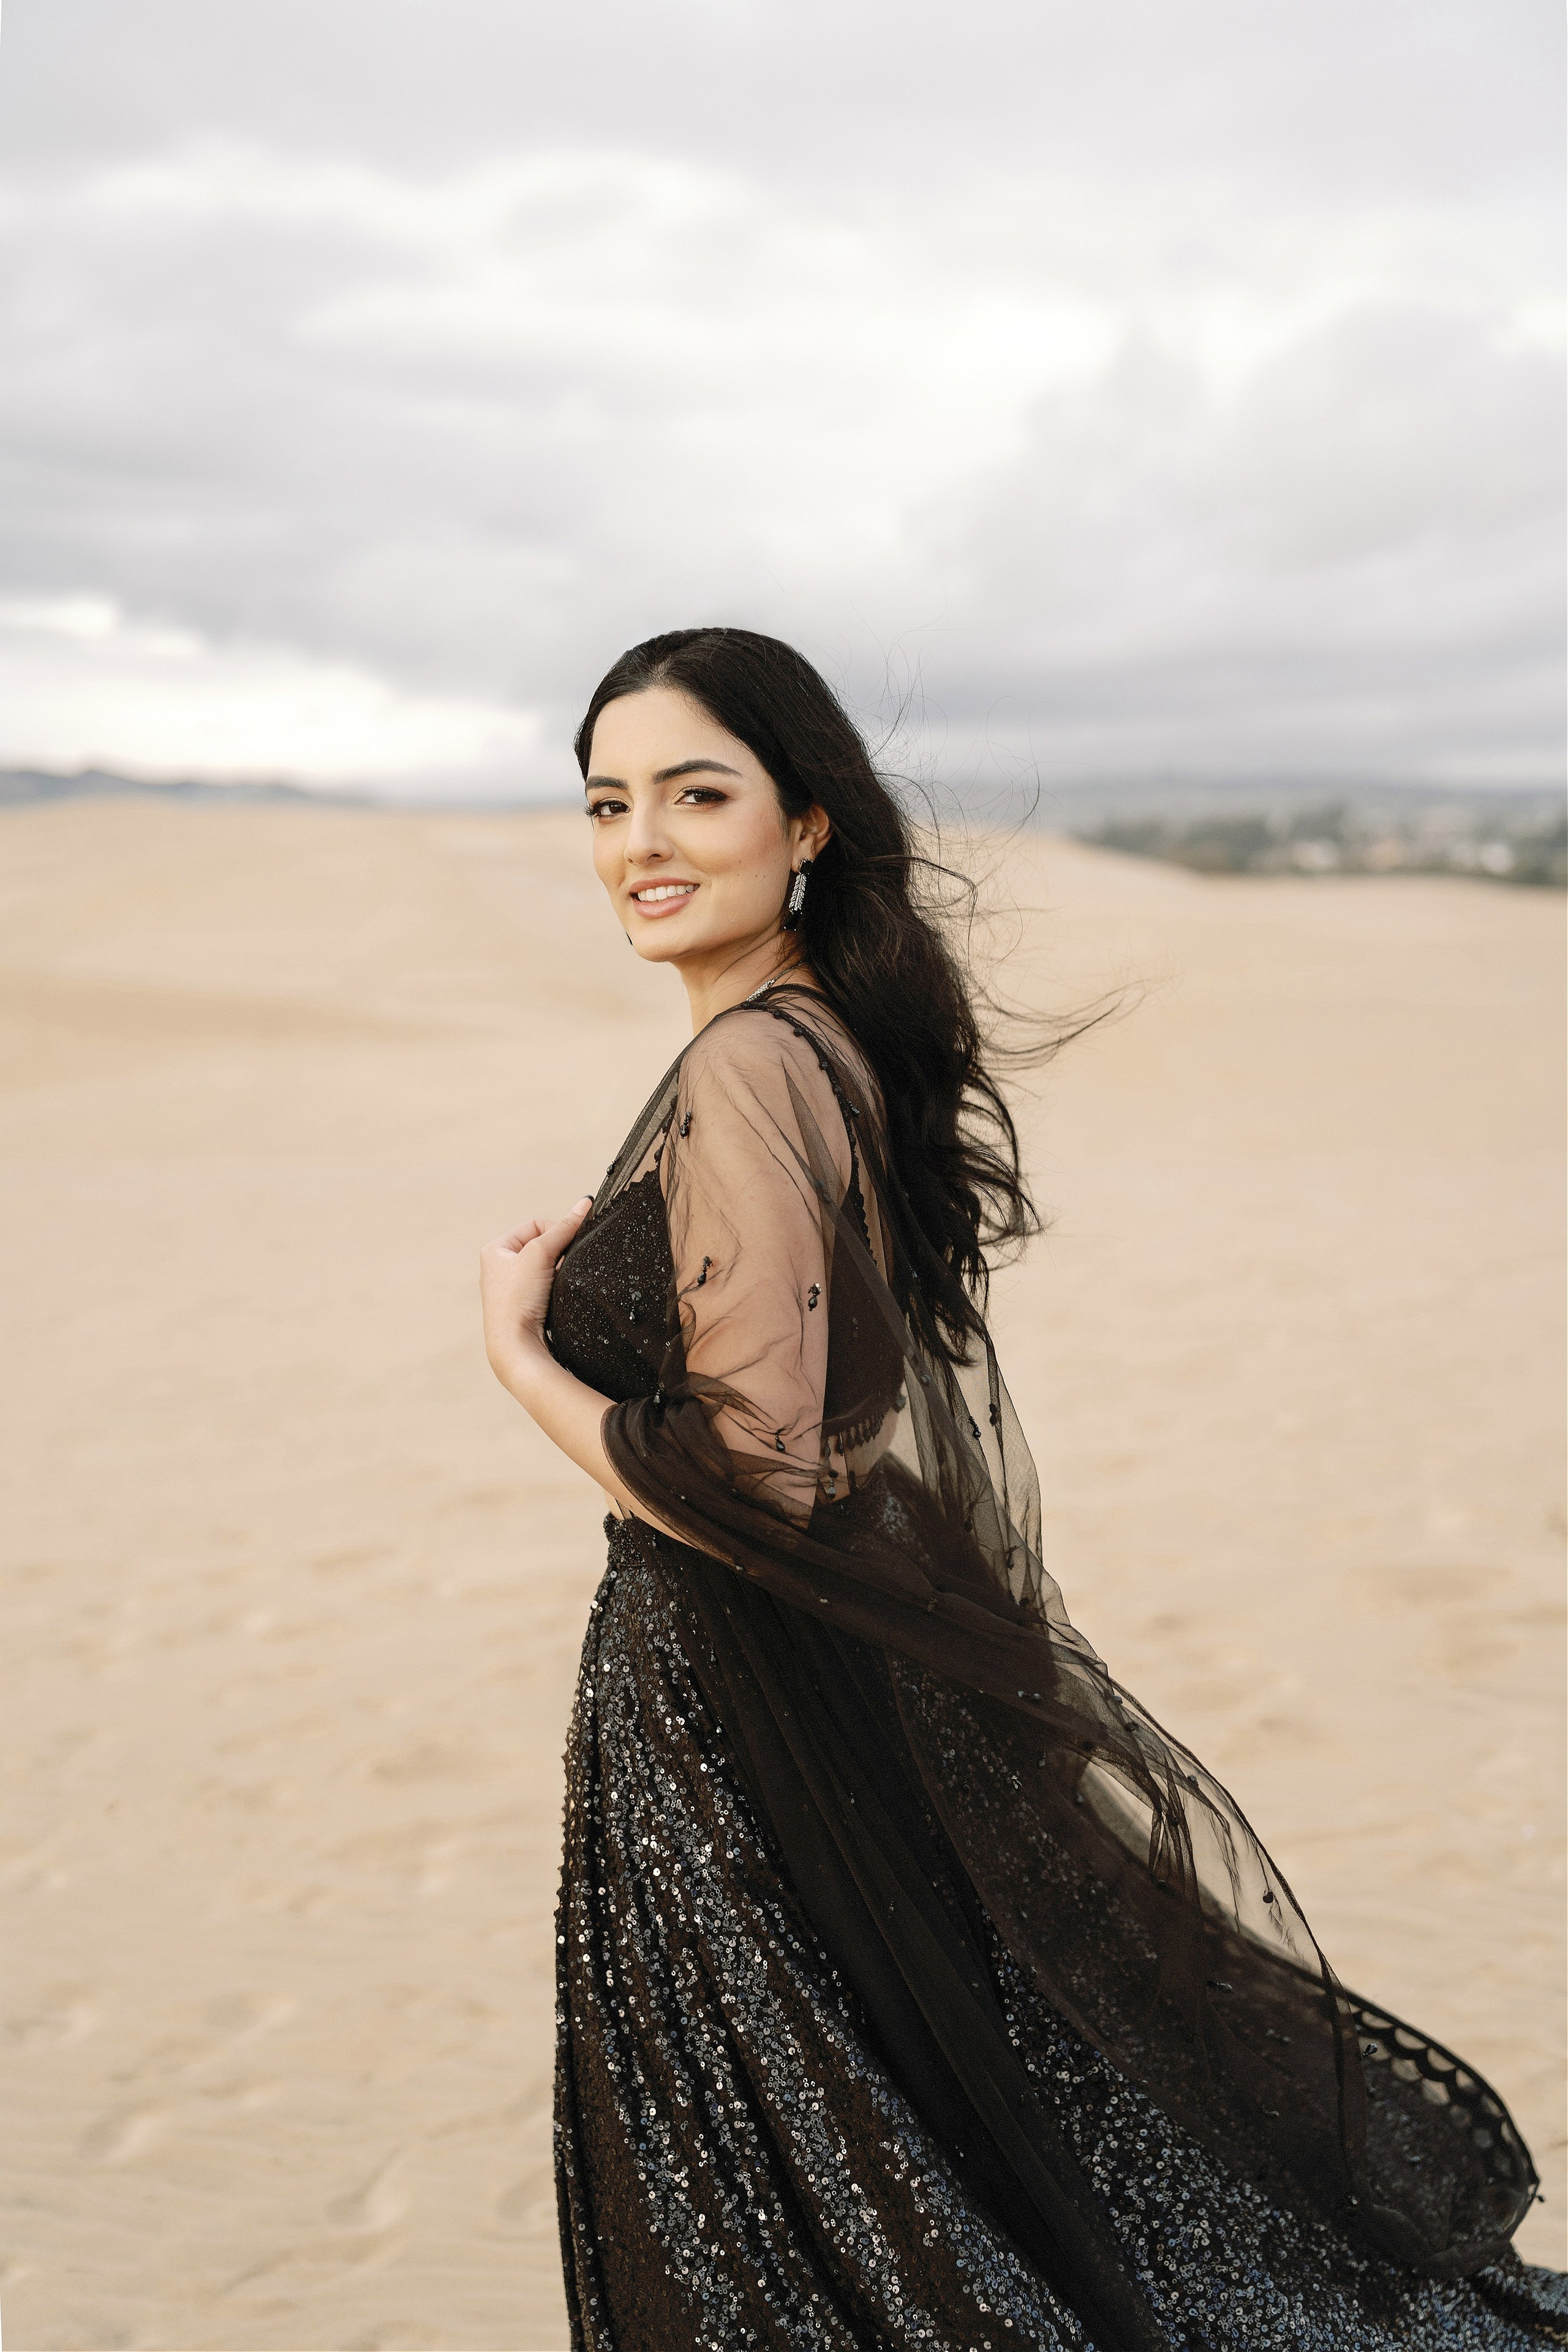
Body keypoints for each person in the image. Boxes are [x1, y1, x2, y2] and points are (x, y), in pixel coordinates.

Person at [480, 628, 1565, 2351]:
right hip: (799, 1704)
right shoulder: (828, 1043)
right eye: (608, 801)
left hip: (738, 1723)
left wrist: (525, 1358)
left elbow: (765, 1469)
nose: (643, 844)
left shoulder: (756, 1064)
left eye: (699, 792)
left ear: (808, 822)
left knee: (821, 2225)